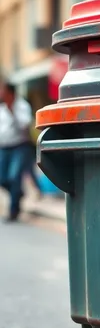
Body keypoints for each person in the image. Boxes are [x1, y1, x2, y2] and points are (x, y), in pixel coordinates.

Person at [0, 81, 33, 222]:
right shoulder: (1, 109)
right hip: (4, 147)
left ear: (10, 92)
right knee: (2, 178)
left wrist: (12, 111)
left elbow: (25, 126)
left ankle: (14, 211)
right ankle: (18, 192)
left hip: (19, 146)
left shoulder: (22, 106)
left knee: (14, 177)